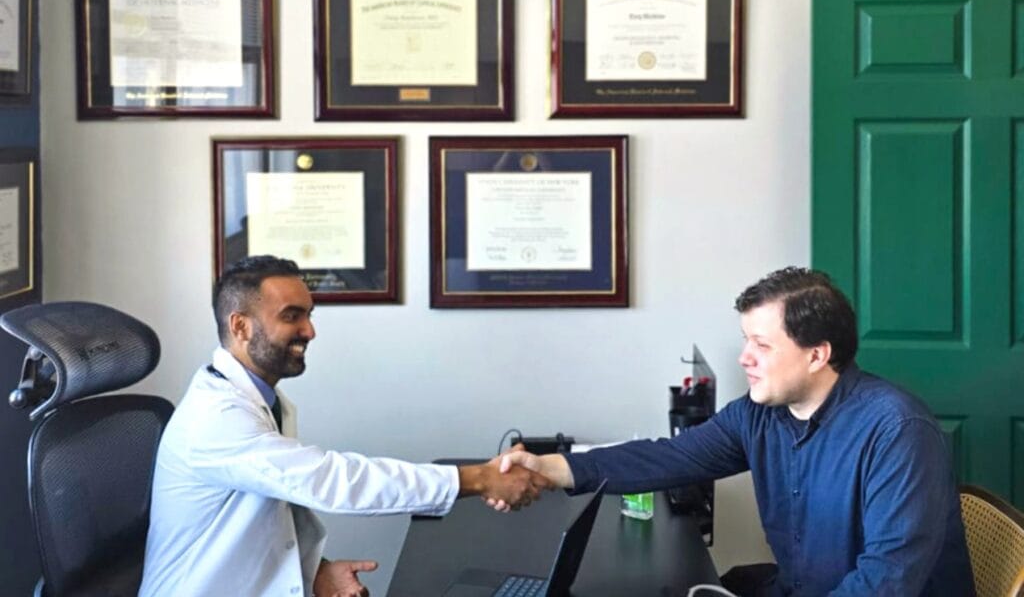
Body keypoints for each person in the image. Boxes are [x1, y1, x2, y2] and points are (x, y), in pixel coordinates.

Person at [497, 267, 975, 596]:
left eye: (761, 344)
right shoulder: (757, 415)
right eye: (746, 339)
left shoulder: (896, 431)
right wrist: (548, 468)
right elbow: (666, 457)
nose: (744, 357)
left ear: (817, 355)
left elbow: (885, 583)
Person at [140, 255, 549, 597]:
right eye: (292, 316)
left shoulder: (264, 400)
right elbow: (334, 480)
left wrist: (318, 572)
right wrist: (478, 478)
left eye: (309, 314)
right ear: (241, 326)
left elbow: (272, 512)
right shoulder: (216, 418)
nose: (310, 330)